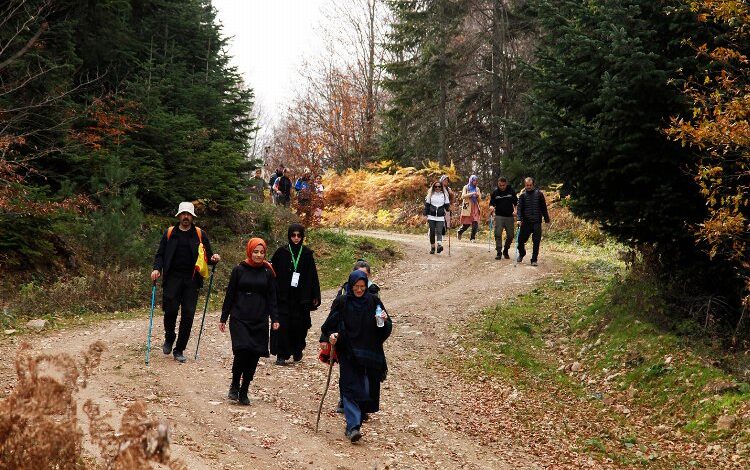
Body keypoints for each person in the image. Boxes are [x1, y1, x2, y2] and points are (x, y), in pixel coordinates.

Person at [320, 270, 392, 443]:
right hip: (348, 351)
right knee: (350, 387)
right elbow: (329, 325)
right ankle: (353, 427)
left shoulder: (374, 301)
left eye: (362, 287)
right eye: (356, 287)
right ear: (350, 286)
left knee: (366, 390)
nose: (359, 290)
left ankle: (354, 423)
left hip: (369, 353)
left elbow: (385, 327)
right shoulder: (343, 302)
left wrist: (383, 321)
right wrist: (331, 336)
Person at [151, 202, 221, 363]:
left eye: (188, 214)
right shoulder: (169, 233)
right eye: (183, 214)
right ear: (178, 216)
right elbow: (160, 254)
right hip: (172, 279)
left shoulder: (199, 234)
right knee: (170, 311)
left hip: (192, 281)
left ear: (192, 217)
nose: (185, 217)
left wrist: (214, 258)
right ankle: (170, 337)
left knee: (188, 315)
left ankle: (179, 349)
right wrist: (157, 269)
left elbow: (208, 257)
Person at [219, 238, 279, 405]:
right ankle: (234, 384)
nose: (259, 255)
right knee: (242, 350)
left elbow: (272, 297)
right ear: (249, 251)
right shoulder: (239, 270)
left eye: (262, 252)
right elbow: (230, 295)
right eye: (255, 252)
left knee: (254, 354)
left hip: (259, 318)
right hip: (239, 317)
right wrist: (224, 317)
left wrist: (275, 318)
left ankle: (244, 389)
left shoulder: (268, 272)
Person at [270, 224, 321, 365]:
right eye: (293, 235)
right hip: (283, 296)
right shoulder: (281, 253)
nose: (296, 238)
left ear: (302, 236)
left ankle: (297, 350)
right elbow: (271, 272)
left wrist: (315, 294)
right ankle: (281, 354)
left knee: (300, 325)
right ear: (289, 236)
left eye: (299, 235)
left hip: (301, 297)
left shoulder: (306, 254)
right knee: (282, 324)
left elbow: (313, 276)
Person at [516, 177, 551, 266]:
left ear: (533, 185)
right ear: (525, 185)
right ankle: (522, 253)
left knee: (536, 242)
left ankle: (534, 260)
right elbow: (519, 209)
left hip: (537, 222)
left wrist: (547, 219)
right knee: (520, 240)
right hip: (526, 222)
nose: (528, 187)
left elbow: (543, 208)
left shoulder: (539, 194)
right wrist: (519, 219)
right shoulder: (522, 196)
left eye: (530, 185)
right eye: (527, 185)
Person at [489, 177, 518, 260]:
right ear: (498, 184)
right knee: (498, 234)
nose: (502, 187)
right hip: (499, 216)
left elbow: (515, 202)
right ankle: (499, 252)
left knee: (510, 235)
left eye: (503, 185)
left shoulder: (511, 191)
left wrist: (515, 211)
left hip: (509, 216)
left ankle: (506, 250)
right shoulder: (495, 192)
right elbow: (492, 203)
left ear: (506, 184)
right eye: (500, 185)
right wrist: (491, 207)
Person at [424, 180, 450, 254]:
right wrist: (426, 214)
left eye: (439, 186)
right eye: (436, 186)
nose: (437, 188)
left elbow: (447, 205)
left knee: (439, 231)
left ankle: (439, 245)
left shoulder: (444, 195)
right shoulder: (430, 195)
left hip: (440, 216)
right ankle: (432, 247)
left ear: (441, 187)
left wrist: (448, 209)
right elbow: (427, 205)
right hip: (431, 216)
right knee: (432, 232)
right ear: (433, 187)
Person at [457, 175, 482, 241]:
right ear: (471, 180)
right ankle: (460, 231)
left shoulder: (477, 189)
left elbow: (480, 200)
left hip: (475, 207)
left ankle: (472, 238)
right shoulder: (466, 187)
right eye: (474, 180)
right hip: (468, 207)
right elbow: (463, 196)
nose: (475, 182)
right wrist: (472, 193)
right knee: (467, 224)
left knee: (475, 222)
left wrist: (477, 196)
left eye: (476, 180)